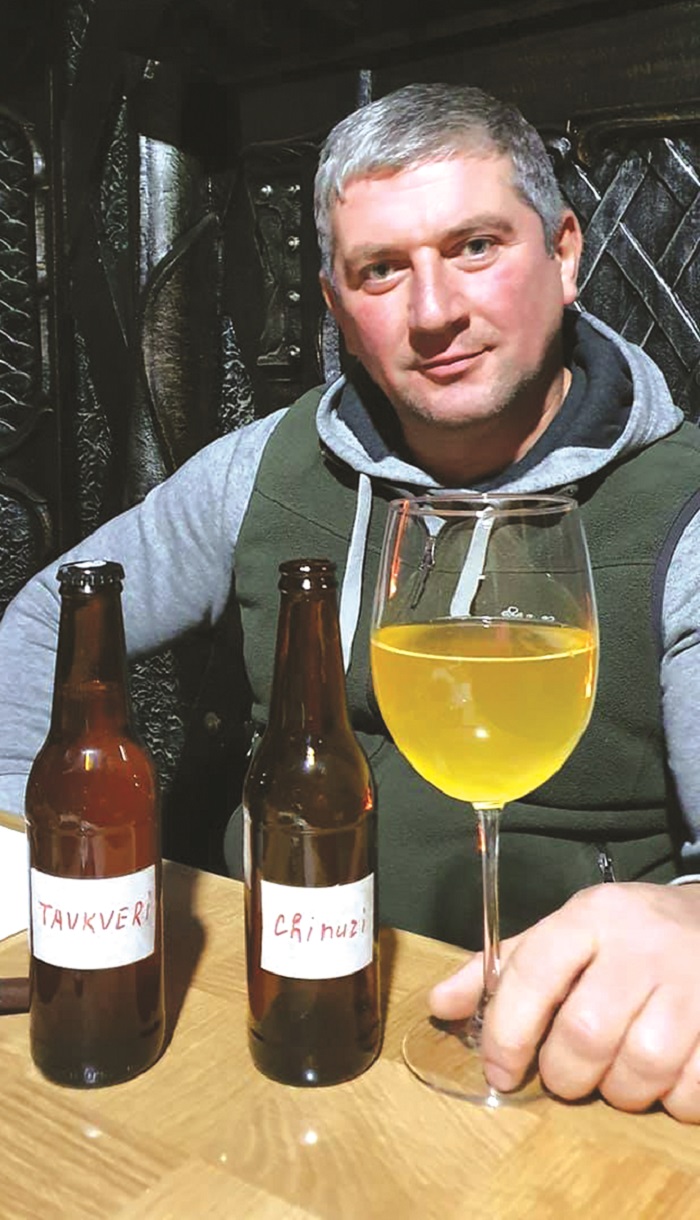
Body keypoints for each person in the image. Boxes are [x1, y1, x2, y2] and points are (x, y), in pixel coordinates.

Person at [2, 82, 700, 1120]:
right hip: (252, 1006)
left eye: (475, 246)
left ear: (563, 253)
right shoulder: (261, 467)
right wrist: (27, 849)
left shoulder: (683, 510)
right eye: (382, 269)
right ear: (335, 305)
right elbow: (51, 620)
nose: (433, 310)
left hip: (546, 1054)